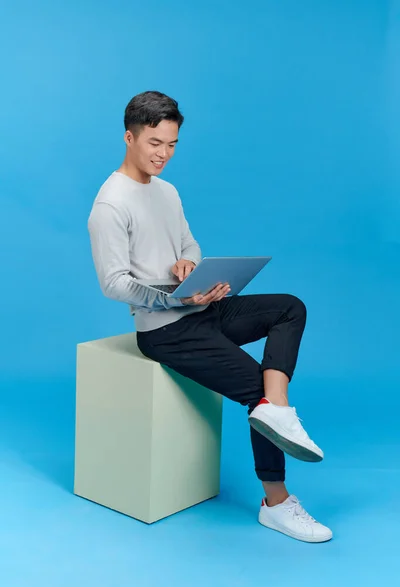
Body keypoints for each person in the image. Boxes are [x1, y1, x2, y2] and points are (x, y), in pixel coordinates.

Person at [88, 91, 332, 543]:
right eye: (154, 143)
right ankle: (276, 503)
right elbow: (114, 283)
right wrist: (176, 299)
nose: (163, 154)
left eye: (172, 144)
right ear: (129, 137)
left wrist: (189, 269)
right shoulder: (110, 204)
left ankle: (278, 408)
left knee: (289, 307)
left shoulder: (167, 191)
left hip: (202, 308)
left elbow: (188, 244)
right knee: (256, 391)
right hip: (165, 331)